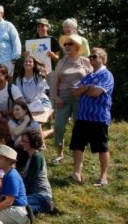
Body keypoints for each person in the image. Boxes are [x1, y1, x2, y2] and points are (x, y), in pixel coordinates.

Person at [69, 47, 114, 187]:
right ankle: (76, 173)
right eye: (90, 57)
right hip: (83, 116)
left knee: (102, 147)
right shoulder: (88, 76)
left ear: (102, 58)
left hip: (98, 118)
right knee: (77, 145)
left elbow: (95, 93)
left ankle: (103, 177)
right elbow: (75, 92)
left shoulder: (107, 75)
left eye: (94, 56)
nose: (91, 59)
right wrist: (87, 87)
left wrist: (85, 89)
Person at [49, 33, 92, 164]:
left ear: (77, 46)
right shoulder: (61, 62)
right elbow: (55, 82)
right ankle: (59, 154)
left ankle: (78, 156)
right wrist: (55, 97)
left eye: (70, 44)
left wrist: (86, 93)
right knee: (59, 125)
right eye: (65, 44)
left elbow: (91, 79)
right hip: (63, 97)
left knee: (79, 127)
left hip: (81, 98)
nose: (67, 46)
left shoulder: (85, 61)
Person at [20, 129, 55, 215]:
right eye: (23, 140)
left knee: (18, 203)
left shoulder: (36, 157)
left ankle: (43, 207)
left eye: (26, 141)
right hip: (34, 194)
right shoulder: (31, 156)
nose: (23, 143)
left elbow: (28, 180)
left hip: (42, 195)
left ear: (33, 143)